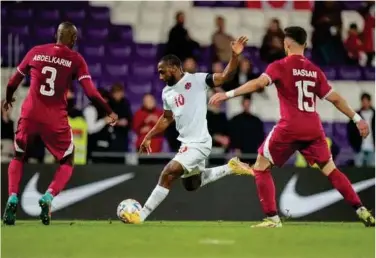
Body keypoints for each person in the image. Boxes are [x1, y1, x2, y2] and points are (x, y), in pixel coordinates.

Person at [210, 26, 375, 228]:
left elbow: (258, 84)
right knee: (332, 171)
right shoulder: (315, 70)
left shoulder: (280, 65)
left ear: (286, 44)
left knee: (261, 166)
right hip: (313, 128)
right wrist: (358, 118)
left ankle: (272, 218)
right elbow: (336, 99)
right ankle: (362, 210)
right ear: (305, 45)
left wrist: (227, 94)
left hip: (290, 126)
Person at [124, 37, 252, 224]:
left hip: (199, 142)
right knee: (192, 183)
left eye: (162, 72)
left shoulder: (198, 80)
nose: (160, 77)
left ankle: (140, 216)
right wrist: (149, 135)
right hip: (187, 143)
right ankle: (230, 167)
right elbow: (167, 117)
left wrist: (234, 56)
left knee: (168, 173)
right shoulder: (167, 92)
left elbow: (225, 76)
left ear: (174, 68)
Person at [2, 22, 118, 226]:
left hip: (29, 114)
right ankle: (48, 196)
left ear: (56, 35)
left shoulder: (36, 52)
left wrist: (9, 99)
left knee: (19, 155)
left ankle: (12, 196)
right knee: (67, 160)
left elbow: (12, 82)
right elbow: (90, 93)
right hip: (55, 118)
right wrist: (109, 111)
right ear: (73, 39)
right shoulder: (75, 59)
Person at [229, 96, 265, 163]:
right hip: (239, 152)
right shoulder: (235, 120)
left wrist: (259, 150)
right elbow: (233, 135)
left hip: (253, 151)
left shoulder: (256, 120)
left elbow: (261, 136)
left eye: (248, 104)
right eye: (245, 104)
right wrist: (236, 147)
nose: (247, 106)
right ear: (242, 104)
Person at [347, 93, 375, 167]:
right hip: (359, 148)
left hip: (373, 147)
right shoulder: (356, 115)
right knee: (358, 169)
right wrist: (355, 144)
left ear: (370, 102)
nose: (365, 103)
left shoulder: (374, 114)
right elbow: (350, 131)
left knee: (372, 172)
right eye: (363, 101)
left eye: (366, 101)